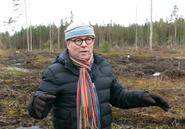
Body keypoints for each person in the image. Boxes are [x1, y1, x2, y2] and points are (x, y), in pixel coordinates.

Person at [27, 22, 170, 129]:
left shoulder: (103, 67)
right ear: (68, 43)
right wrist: (36, 105)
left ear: (93, 41)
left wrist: (142, 97)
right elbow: (38, 111)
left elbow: (118, 97)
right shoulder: (54, 72)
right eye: (78, 40)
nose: (84, 44)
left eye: (88, 39)